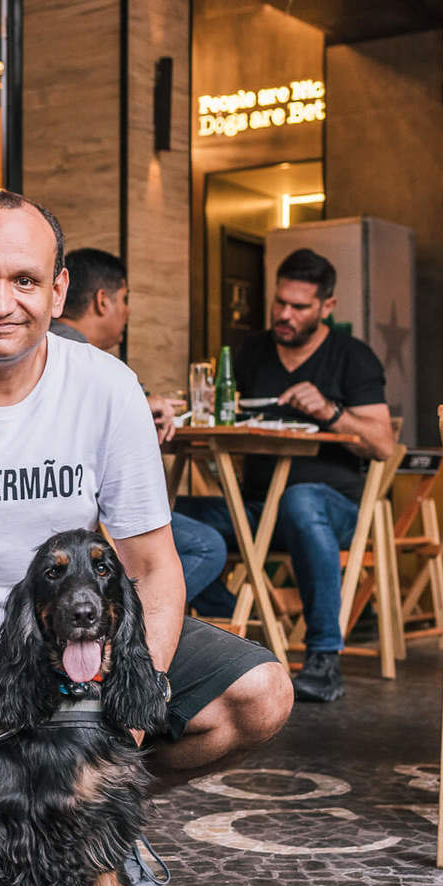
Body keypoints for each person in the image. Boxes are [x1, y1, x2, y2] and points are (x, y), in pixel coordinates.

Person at [0, 191, 293, 886]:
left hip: (72, 658)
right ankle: (44, 813)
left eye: (26, 281)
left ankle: (92, 814)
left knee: (259, 697)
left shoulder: (105, 388)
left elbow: (152, 568)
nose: (3, 302)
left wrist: (121, 725)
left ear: (58, 291)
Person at [177, 247, 394, 705]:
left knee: (301, 498)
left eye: (299, 307)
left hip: (335, 509)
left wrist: (331, 411)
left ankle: (322, 659)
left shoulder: (352, 357)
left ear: (327, 308)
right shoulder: (252, 352)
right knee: (168, 516)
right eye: (280, 303)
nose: (285, 315)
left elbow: (382, 443)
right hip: (259, 509)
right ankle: (231, 623)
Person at [52, 246, 229, 605]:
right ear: (103, 301)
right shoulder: (75, 355)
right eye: (125, 299)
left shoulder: (58, 349)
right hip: (85, 515)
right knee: (206, 547)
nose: (128, 311)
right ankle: (118, 625)